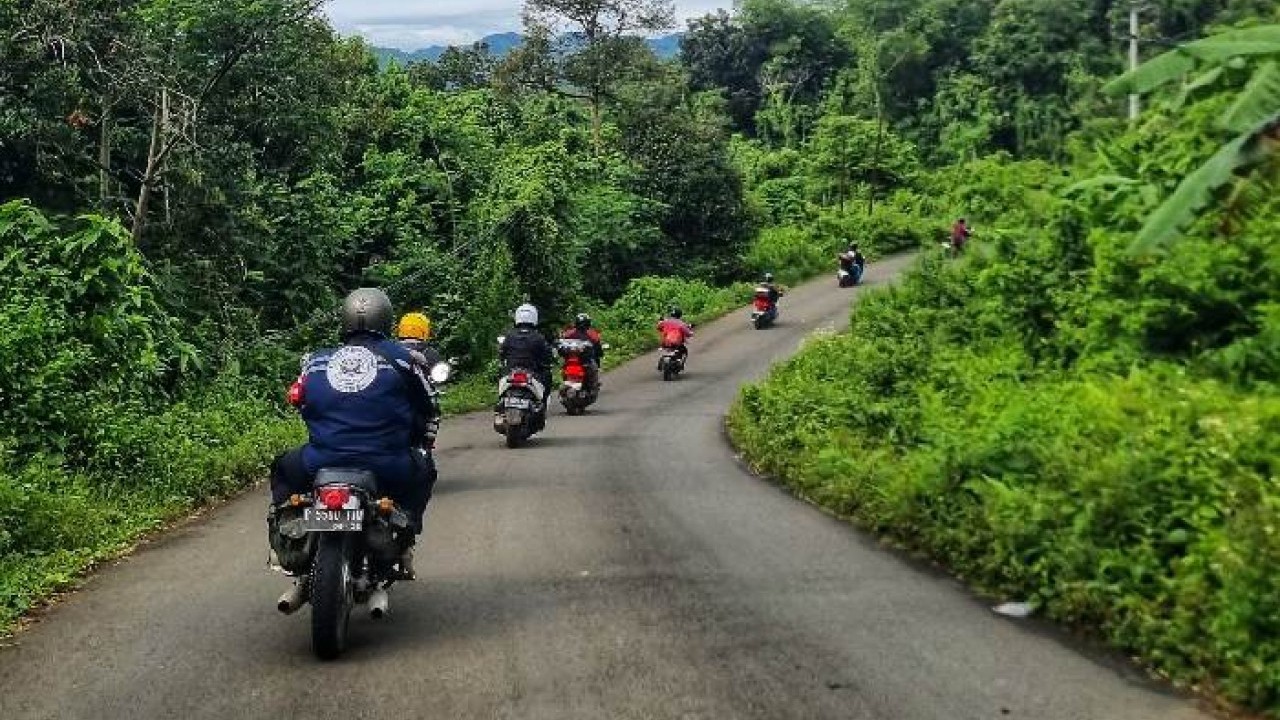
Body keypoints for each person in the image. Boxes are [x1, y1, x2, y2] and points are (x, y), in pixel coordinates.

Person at [270, 288, 441, 578]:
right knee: (424, 471)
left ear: (345, 320)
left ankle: (285, 536)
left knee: (282, 468)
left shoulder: (315, 361)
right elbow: (430, 404)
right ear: (387, 320)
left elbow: (297, 398)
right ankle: (405, 534)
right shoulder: (405, 360)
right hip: (387, 463)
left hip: (320, 459)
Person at [498, 303, 554, 416]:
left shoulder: (510, 336)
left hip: (511, 371)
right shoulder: (539, 337)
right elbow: (547, 356)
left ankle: (500, 402)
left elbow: (502, 354)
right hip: (533, 373)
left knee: (500, 375)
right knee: (548, 377)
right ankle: (542, 405)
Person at [560, 313, 605, 390]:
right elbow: (598, 349)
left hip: (574, 360)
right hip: (581, 361)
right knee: (594, 364)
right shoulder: (592, 333)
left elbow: (561, 343)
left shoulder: (569, 333)